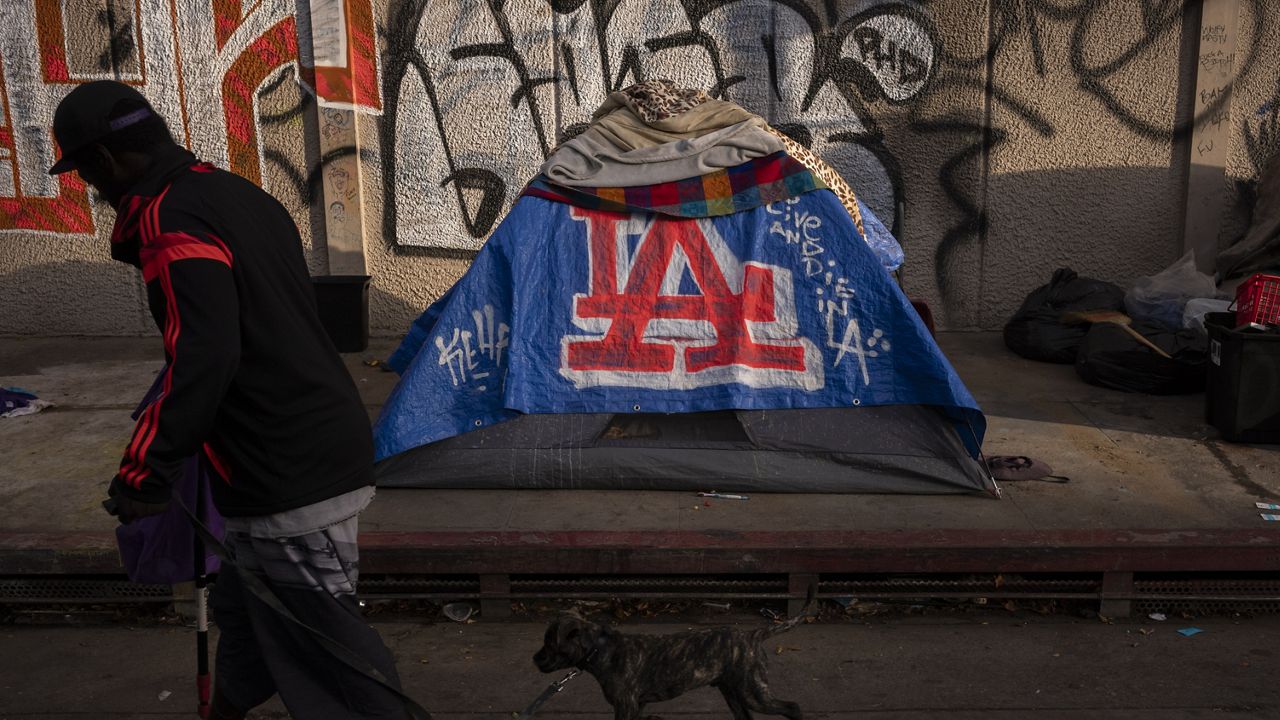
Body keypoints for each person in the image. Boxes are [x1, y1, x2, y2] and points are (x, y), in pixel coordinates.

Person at [49, 80, 407, 719]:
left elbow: (203, 357)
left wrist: (146, 470)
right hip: (293, 448)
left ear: (103, 162)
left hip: (287, 469)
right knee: (249, 616)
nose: (94, 193)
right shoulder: (233, 193)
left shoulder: (169, 219)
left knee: (331, 649)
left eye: (85, 175)